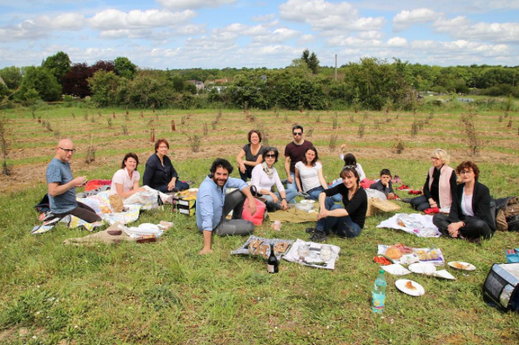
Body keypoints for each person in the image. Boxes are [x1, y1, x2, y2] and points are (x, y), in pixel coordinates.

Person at [197, 158, 257, 255]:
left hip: (219, 209)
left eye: (225, 174)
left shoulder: (223, 181)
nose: (221, 177)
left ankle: (237, 218)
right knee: (250, 226)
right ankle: (223, 227)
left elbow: (241, 183)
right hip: (214, 224)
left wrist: (251, 199)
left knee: (241, 192)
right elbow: (207, 218)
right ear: (213, 173)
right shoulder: (207, 190)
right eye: (218, 174)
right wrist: (207, 247)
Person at [433, 161, 495, 243]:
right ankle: (461, 235)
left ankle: (457, 233)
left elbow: (481, 215)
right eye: (463, 172)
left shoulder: (483, 190)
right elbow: (454, 210)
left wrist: (459, 224)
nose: (465, 175)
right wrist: (454, 224)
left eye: (468, 172)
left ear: (474, 174)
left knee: (479, 225)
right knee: (437, 218)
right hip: (462, 220)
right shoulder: (458, 189)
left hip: (476, 221)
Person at [46, 139, 101, 223]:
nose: (70, 154)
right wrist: (72, 183)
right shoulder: (54, 166)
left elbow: (65, 184)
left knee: (93, 212)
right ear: (58, 149)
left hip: (71, 204)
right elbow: (53, 192)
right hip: (63, 210)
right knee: (98, 220)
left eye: (72, 151)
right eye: (67, 150)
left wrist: (75, 184)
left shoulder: (65, 163)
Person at [308, 166, 368, 242]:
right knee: (326, 199)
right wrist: (322, 208)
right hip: (343, 223)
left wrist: (326, 213)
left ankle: (323, 231)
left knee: (336, 207)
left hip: (353, 229)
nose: (346, 181)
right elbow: (323, 193)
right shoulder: (344, 187)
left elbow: (346, 212)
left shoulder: (361, 193)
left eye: (349, 177)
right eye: (344, 178)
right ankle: (319, 229)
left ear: (356, 178)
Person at [251, 147, 295, 211]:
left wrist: (284, 199)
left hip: (272, 194)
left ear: (275, 158)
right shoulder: (258, 168)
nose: (270, 158)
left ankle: (280, 203)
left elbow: (279, 185)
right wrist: (270, 193)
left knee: (293, 191)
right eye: (268, 156)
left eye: (273, 156)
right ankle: (281, 206)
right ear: (264, 157)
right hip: (260, 196)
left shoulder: (273, 170)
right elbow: (255, 187)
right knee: (270, 200)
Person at [284, 125, 313, 201]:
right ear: (292, 134)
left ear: (302, 134)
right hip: (293, 173)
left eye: (299, 133)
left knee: (310, 192)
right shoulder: (289, 147)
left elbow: (313, 158)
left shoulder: (308, 145)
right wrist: (288, 175)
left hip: (306, 173)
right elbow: (286, 161)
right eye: (295, 133)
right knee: (292, 192)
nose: (297, 135)